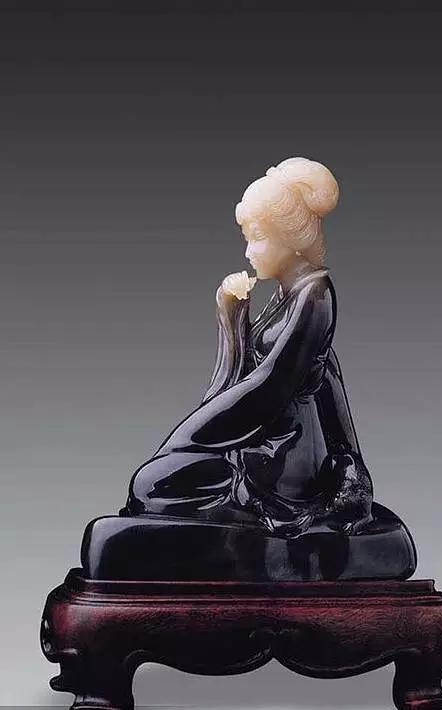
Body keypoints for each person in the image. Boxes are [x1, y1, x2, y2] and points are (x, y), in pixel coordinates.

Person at [123, 157, 373, 538]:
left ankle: (238, 525)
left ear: (288, 236)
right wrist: (232, 321)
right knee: (151, 484)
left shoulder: (316, 296)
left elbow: (267, 390)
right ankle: (224, 522)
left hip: (283, 460)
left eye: (257, 237)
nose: (248, 252)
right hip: (253, 442)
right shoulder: (283, 296)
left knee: (152, 485)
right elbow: (231, 385)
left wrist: (184, 441)